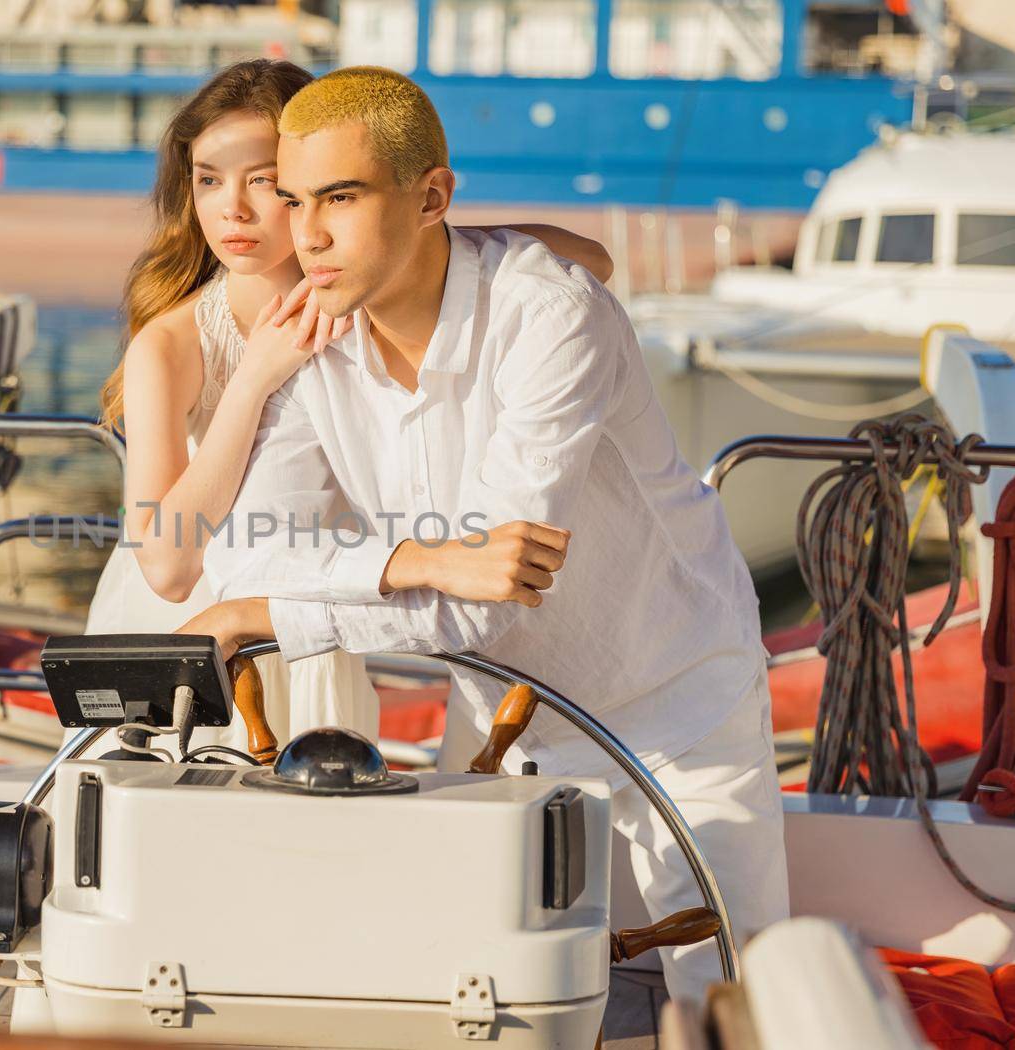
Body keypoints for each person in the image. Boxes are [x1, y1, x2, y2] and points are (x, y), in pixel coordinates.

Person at [180, 65, 787, 1000]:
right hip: (501, 710)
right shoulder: (314, 336)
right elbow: (241, 549)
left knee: (735, 998)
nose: (306, 235)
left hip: (673, 694)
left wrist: (259, 614)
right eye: (295, 199)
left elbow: (486, 611)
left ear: (432, 197)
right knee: (469, 992)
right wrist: (423, 561)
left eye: (340, 197)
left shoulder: (552, 317)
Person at [84, 59, 615, 757]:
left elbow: (592, 261)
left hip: (318, 609)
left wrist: (423, 228)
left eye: (266, 182)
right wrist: (254, 378)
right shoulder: (174, 343)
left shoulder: (358, 290)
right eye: (208, 179)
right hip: (194, 627)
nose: (232, 209)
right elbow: (169, 567)